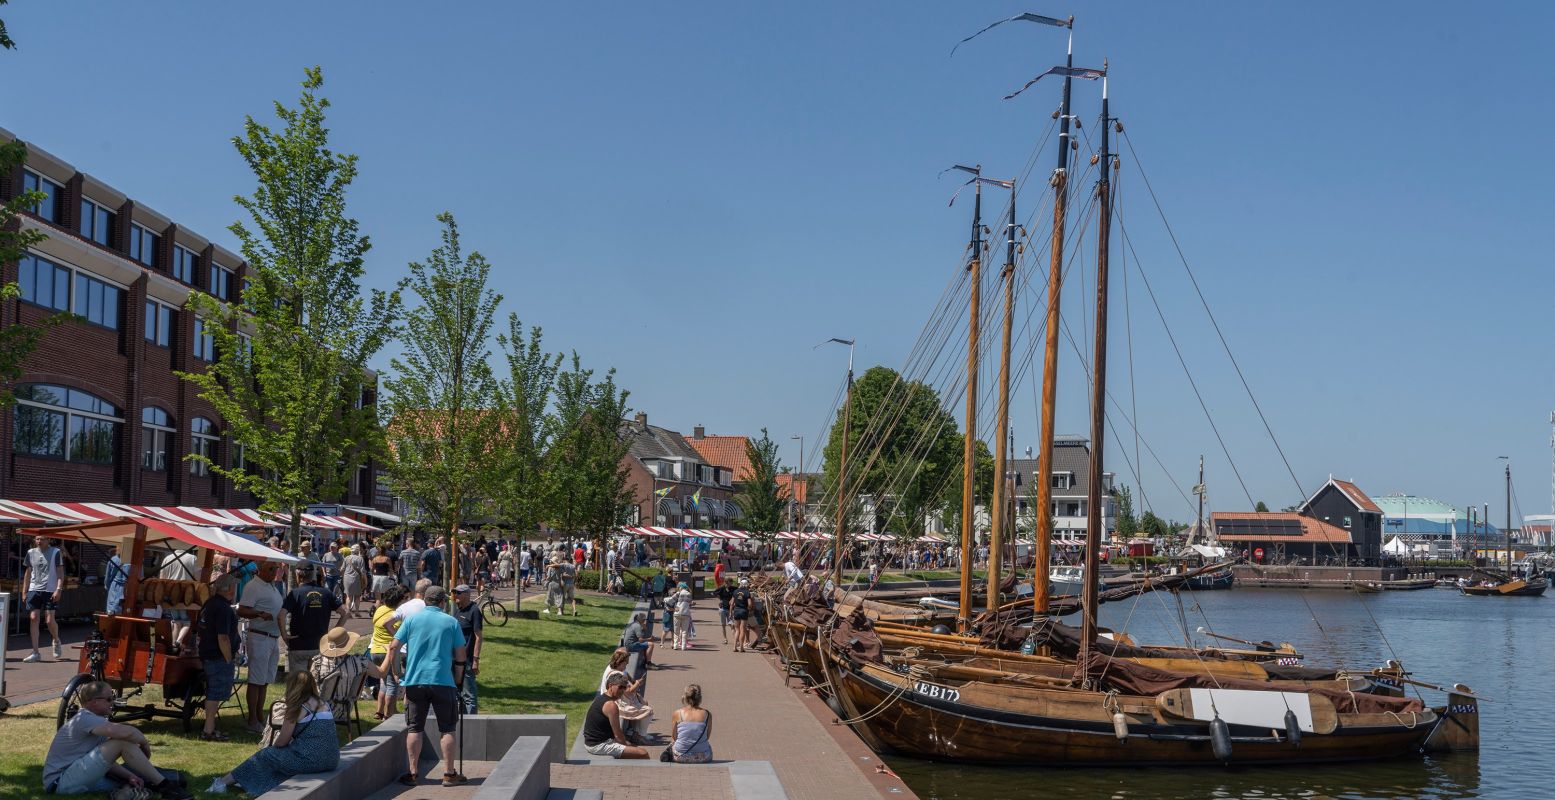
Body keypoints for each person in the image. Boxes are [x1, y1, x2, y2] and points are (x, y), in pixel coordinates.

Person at [43, 680, 193, 799]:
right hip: (60, 782)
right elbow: (126, 734)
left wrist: (130, 776)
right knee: (120, 741)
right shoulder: (85, 718)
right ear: (93, 702)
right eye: (109, 699)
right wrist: (144, 742)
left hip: (75, 777)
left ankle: (128, 792)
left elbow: (103, 760)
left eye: (113, 697)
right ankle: (166, 787)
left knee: (133, 781)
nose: (113, 702)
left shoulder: (95, 721)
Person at [206, 671, 339, 795]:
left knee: (265, 755)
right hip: (332, 759)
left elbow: (282, 741)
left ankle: (221, 783)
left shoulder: (297, 706)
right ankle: (246, 779)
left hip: (311, 761)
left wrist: (272, 751)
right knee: (276, 758)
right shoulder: (324, 704)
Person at [387, 585, 468, 787]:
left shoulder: (412, 620)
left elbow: (393, 646)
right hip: (443, 681)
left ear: (426, 601)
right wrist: (458, 679)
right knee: (447, 728)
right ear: (442, 602)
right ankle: (449, 773)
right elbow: (460, 655)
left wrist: (397, 672)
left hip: (415, 681)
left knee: (414, 728)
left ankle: (413, 773)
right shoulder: (451, 622)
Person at [238, 560, 287, 733]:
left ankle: (259, 716)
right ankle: (252, 720)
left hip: (272, 638)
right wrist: (259, 613)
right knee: (256, 680)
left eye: (276, 568)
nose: (274, 572)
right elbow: (242, 610)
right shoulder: (253, 586)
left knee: (265, 681)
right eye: (271, 569)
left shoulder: (271, 586)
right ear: (260, 570)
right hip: (260, 637)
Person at [309, 626, 390, 721]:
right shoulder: (359, 662)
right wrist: (389, 652)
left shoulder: (317, 662)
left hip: (318, 711)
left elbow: (310, 688)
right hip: (343, 710)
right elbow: (382, 673)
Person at [198, 574, 241, 741]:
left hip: (208, 652)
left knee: (213, 692)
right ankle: (208, 730)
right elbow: (223, 637)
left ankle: (210, 728)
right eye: (234, 586)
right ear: (229, 588)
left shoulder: (209, 603)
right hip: (217, 655)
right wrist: (228, 658)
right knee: (215, 693)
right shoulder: (223, 608)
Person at [282, 566, 346, 677]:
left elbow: (280, 615)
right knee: (316, 683)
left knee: (297, 685)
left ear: (298, 576)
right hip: (319, 646)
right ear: (313, 576)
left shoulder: (295, 593)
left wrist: (284, 635)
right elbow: (345, 613)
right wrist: (332, 634)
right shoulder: (326, 593)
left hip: (298, 646)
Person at [582, 673, 649, 759]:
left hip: (595, 742)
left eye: (624, 688)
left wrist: (628, 745)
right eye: (620, 687)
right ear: (610, 686)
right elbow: (618, 735)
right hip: (598, 745)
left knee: (633, 747)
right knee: (643, 753)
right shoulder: (611, 705)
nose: (622, 690)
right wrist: (627, 746)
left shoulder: (602, 698)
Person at [21, 533, 65, 662]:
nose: (39, 541)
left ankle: (56, 640)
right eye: (37, 539)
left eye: (42, 539)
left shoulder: (56, 552)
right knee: (33, 618)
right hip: (34, 589)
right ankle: (35, 652)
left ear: (48, 540)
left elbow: (60, 572)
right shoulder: (31, 552)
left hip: (50, 589)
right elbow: (28, 573)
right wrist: (24, 591)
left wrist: (58, 589)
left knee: (49, 620)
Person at [370, 585, 408, 720]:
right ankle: (389, 715)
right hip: (388, 651)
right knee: (392, 684)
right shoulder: (395, 616)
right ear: (399, 601)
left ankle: (379, 712)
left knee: (384, 683)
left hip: (375, 651)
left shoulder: (379, 610)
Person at [598, 648, 652, 744]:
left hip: (617, 699)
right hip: (618, 703)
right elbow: (628, 692)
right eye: (625, 664)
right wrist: (638, 683)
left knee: (643, 702)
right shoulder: (617, 674)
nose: (626, 666)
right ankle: (640, 735)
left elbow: (628, 681)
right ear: (620, 663)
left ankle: (636, 733)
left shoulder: (616, 669)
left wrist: (634, 682)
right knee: (648, 711)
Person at [450, 584, 484, 714]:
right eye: (454, 593)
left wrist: (475, 659)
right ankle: (462, 724)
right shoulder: (458, 610)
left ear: (466, 594)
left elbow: (478, 637)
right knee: (458, 695)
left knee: (469, 696)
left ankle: (472, 724)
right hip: (454, 659)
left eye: (458, 593)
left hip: (467, 660)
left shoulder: (474, 611)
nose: (455, 596)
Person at [669, 684, 713, 763]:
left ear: (685, 697)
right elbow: (707, 736)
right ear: (700, 698)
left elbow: (674, 737)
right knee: (707, 745)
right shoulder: (707, 714)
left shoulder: (677, 713)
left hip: (681, 756)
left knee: (672, 742)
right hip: (703, 756)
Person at [104, 544, 132, 616]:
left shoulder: (113, 559)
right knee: (127, 614)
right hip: (129, 590)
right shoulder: (135, 561)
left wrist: (109, 588)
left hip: (114, 589)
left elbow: (107, 579)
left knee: (111, 613)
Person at [341, 545, 367, 618]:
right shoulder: (360, 559)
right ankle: (357, 612)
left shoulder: (346, 558)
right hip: (357, 578)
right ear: (358, 551)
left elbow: (342, 569)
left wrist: (343, 577)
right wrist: (365, 580)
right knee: (357, 596)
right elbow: (363, 571)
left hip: (347, 578)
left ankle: (348, 612)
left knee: (348, 596)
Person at [730, 578, 753, 652]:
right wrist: (749, 610)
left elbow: (731, 603)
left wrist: (730, 612)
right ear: (746, 585)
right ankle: (741, 648)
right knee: (742, 629)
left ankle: (734, 647)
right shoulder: (747, 592)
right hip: (743, 611)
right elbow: (749, 604)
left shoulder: (735, 591)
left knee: (737, 630)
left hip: (736, 610)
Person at [670, 582, 693, 650]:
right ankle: (683, 646)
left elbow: (670, 601)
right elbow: (689, 603)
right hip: (686, 613)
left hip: (677, 613)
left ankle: (675, 645)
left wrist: (675, 607)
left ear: (680, 587)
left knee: (676, 631)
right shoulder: (689, 594)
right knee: (684, 631)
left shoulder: (678, 593)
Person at [715, 577, 734, 645]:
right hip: (722, 609)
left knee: (732, 625)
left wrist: (732, 599)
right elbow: (715, 592)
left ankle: (735, 639)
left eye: (732, 583)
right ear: (726, 582)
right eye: (730, 582)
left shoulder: (733, 588)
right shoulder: (722, 588)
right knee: (723, 625)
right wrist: (720, 600)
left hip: (730, 609)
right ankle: (725, 639)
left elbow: (738, 592)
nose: (731, 584)